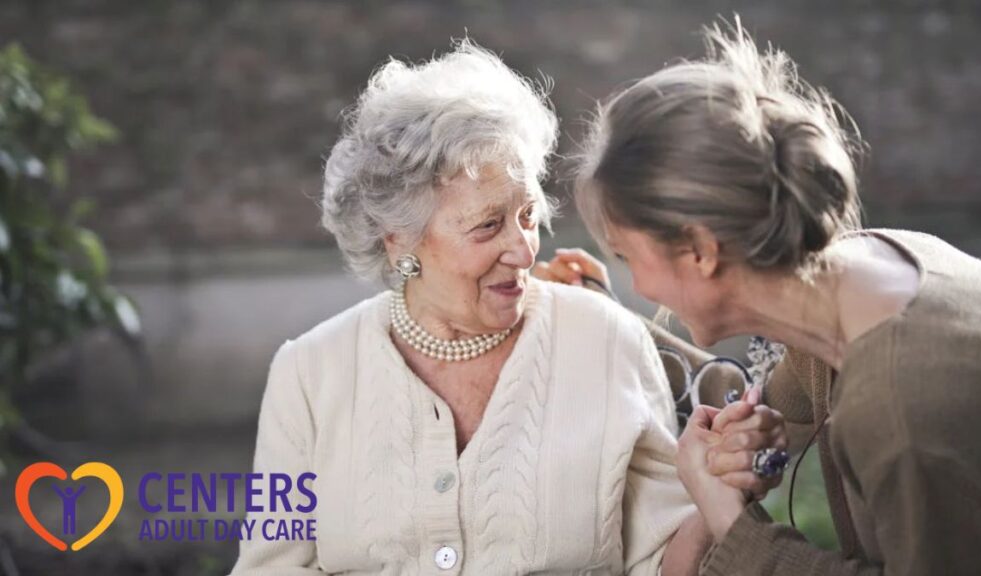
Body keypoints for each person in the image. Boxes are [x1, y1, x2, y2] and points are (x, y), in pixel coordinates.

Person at [230, 41, 783, 575]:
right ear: (398, 238)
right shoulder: (307, 373)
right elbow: (271, 566)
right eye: (488, 225)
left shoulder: (605, 341)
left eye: (527, 215)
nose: (522, 249)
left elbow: (660, 562)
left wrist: (717, 490)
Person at [564, 19, 981, 576]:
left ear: (701, 251)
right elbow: (764, 407)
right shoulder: (869, 268)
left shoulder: (902, 407)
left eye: (628, 258)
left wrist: (734, 526)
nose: (639, 288)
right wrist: (740, 444)